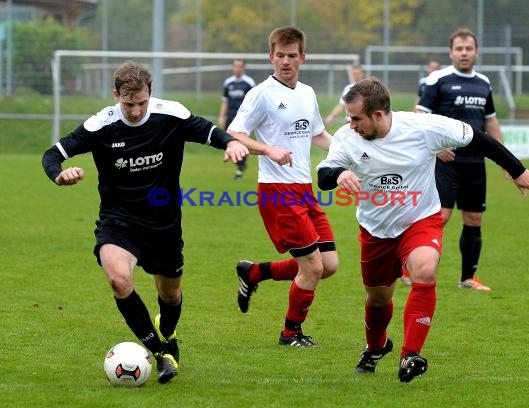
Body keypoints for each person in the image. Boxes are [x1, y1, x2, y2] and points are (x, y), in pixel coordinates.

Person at [316, 78, 529, 382]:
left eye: (356, 117)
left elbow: (476, 137)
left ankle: (410, 354)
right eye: (349, 117)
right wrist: (340, 172)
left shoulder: (422, 127)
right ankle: (375, 347)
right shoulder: (347, 137)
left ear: (379, 114)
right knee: (377, 299)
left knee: (424, 270)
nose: (350, 123)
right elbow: (323, 176)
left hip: (420, 219)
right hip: (376, 229)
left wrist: (517, 170)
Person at [41, 60, 248, 383]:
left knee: (170, 295)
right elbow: (52, 155)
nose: (135, 111)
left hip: (164, 223)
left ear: (150, 94)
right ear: (116, 96)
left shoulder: (171, 114)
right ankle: (160, 352)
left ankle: (167, 333)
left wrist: (232, 143)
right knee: (119, 280)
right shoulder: (101, 125)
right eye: (128, 104)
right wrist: (59, 174)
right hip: (118, 221)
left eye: (141, 103)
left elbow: (211, 132)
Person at [227, 26, 339, 347]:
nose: (286, 61)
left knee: (327, 265)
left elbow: (318, 134)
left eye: (292, 56)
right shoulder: (261, 93)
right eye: (280, 55)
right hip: (278, 192)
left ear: (302, 57)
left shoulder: (307, 93)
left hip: (304, 189)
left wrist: (350, 156)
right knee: (313, 267)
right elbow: (235, 133)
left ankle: (254, 273)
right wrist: (268, 149)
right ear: (271, 56)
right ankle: (291, 333)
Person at [415, 28, 504, 291]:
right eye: (459, 49)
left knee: (474, 219)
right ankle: (414, 267)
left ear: (476, 52)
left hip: (476, 164)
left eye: (469, 49)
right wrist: (434, 148)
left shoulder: (484, 83)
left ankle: (468, 278)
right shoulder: (437, 80)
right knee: (440, 216)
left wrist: (505, 159)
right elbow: (420, 116)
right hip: (447, 162)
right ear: (450, 52)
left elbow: (491, 121)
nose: (464, 53)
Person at [217, 59, 256, 181]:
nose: (237, 69)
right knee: (231, 142)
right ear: (233, 68)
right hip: (230, 117)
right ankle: (240, 165)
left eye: (240, 66)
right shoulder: (228, 83)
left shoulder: (249, 83)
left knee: (242, 141)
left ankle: (240, 167)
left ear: (243, 68)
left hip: (244, 119)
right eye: (235, 66)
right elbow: (225, 101)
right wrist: (222, 116)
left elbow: (254, 103)